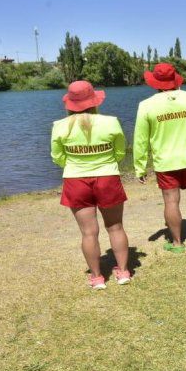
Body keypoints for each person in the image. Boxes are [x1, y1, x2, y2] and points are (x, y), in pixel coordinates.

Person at [51, 80, 132, 289]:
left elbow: (57, 157)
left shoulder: (59, 126)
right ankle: (123, 272)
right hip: (107, 177)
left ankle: (97, 278)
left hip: (76, 180)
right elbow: (121, 151)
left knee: (88, 232)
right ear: (94, 101)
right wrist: (106, 162)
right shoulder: (111, 122)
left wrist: (75, 165)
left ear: (70, 103)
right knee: (115, 227)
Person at [133, 63, 186, 253]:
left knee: (171, 201)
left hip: (166, 162)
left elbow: (140, 141)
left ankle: (178, 243)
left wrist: (140, 167)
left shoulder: (146, 105)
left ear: (155, 83)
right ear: (175, 80)